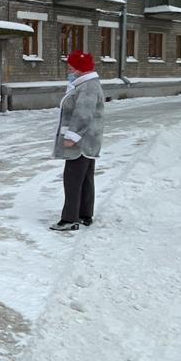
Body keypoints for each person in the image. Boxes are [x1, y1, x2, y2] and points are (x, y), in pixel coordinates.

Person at [51, 51, 104, 232]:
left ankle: (69, 219)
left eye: (72, 66)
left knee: (72, 180)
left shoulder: (87, 86)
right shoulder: (85, 84)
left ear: (80, 68)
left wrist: (72, 136)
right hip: (87, 141)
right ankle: (84, 215)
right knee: (85, 179)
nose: (69, 69)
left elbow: (83, 114)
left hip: (81, 142)